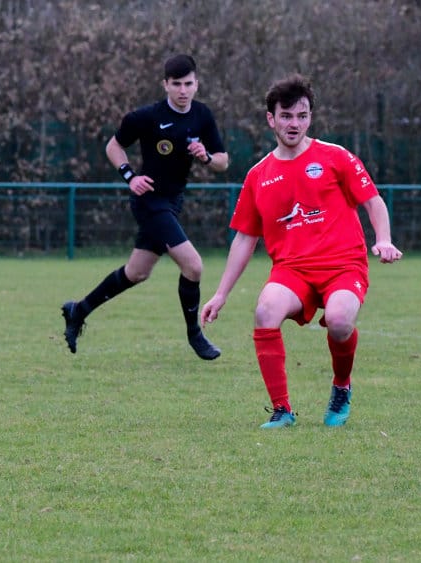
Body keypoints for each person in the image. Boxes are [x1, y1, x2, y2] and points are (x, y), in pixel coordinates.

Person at [200, 74, 403, 428]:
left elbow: (373, 201)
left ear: (310, 117)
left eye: (302, 115)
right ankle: (282, 410)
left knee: (339, 320)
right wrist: (221, 294)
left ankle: (341, 387)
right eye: (286, 116)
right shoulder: (258, 175)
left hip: (343, 264)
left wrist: (383, 239)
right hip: (292, 270)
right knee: (265, 311)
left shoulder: (335, 156)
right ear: (271, 119)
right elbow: (245, 239)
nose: (294, 123)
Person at [61, 54, 228, 360]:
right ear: (165, 84)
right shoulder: (148, 116)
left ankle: (78, 311)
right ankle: (195, 335)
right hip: (149, 200)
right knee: (193, 266)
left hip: (173, 202)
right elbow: (114, 145)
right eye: (176, 84)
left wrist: (205, 156)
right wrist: (130, 177)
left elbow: (223, 161)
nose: (182, 90)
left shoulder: (202, 115)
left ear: (196, 84)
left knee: (136, 272)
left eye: (188, 84)